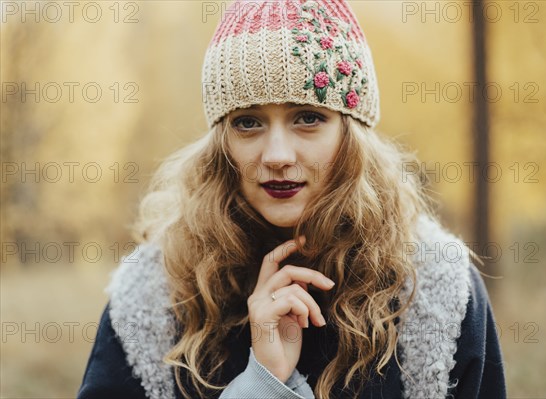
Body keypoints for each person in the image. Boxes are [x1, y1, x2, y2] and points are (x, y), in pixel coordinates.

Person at [77, 0, 506, 398]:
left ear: (349, 132)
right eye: (248, 122)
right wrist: (261, 385)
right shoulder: (153, 298)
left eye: (308, 118)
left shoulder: (436, 289)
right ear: (221, 143)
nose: (277, 156)